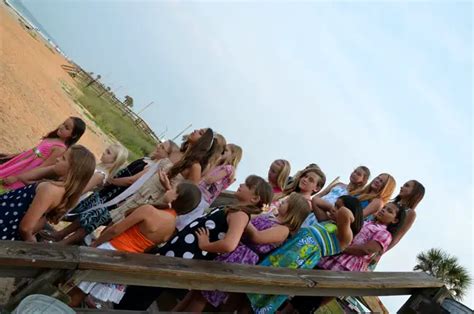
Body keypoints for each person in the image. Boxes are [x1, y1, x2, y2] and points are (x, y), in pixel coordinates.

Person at [115, 175, 273, 311]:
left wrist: (206, 245)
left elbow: (229, 244)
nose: (241, 185)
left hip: (184, 256)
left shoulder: (241, 214)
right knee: (142, 287)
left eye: (247, 185)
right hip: (179, 252)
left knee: (146, 291)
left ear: (255, 198)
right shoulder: (235, 210)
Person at [67, 181, 202, 307]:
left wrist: (95, 244)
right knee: (82, 292)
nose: (169, 189)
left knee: (75, 289)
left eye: (173, 189)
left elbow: (115, 230)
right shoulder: (171, 227)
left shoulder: (150, 210)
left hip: (110, 250)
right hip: (126, 262)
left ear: (176, 197)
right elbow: (149, 247)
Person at [176, 192, 311, 312]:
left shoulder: (283, 230)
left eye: (286, 202)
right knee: (197, 289)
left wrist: (243, 218)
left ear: (293, 211)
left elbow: (257, 237)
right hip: (234, 252)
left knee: (203, 296)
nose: (282, 201)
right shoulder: (271, 217)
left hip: (241, 259)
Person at [247, 195, 363, 314]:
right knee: (257, 279)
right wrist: (334, 209)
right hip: (284, 252)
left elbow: (344, 213)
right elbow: (316, 201)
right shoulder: (326, 221)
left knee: (269, 289)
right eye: (335, 205)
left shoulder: (344, 237)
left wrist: (341, 210)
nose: (334, 209)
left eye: (338, 207)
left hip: (296, 262)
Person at [287, 202, 407, 314]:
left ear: (395, 220)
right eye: (384, 208)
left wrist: (340, 247)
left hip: (344, 268)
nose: (384, 210)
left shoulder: (385, 234)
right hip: (331, 260)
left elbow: (366, 250)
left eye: (389, 211)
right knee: (302, 291)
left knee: (312, 298)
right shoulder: (367, 222)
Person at [0, 145, 95, 241]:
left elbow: (25, 228)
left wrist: (31, 243)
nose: (57, 159)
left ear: (72, 169)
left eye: (63, 158)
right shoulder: (64, 191)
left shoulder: (50, 189)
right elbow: (26, 178)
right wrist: (57, 169)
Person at [0, 117, 86, 192]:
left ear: (74, 135)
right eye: (63, 124)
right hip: (20, 163)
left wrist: (17, 177)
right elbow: (33, 151)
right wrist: (13, 156)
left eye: (67, 128)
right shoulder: (53, 138)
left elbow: (42, 167)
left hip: (25, 170)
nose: (62, 127)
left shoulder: (60, 149)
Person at [184, 144, 242, 230]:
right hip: (202, 194)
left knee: (186, 215)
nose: (222, 152)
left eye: (225, 150)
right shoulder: (221, 166)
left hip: (203, 196)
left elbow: (210, 180)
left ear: (233, 155)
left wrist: (213, 166)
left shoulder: (228, 169)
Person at [387, 180, 425, 250]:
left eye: (406, 186)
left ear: (415, 192)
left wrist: (379, 254)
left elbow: (398, 236)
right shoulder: (389, 204)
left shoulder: (410, 213)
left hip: (379, 242)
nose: (401, 187)